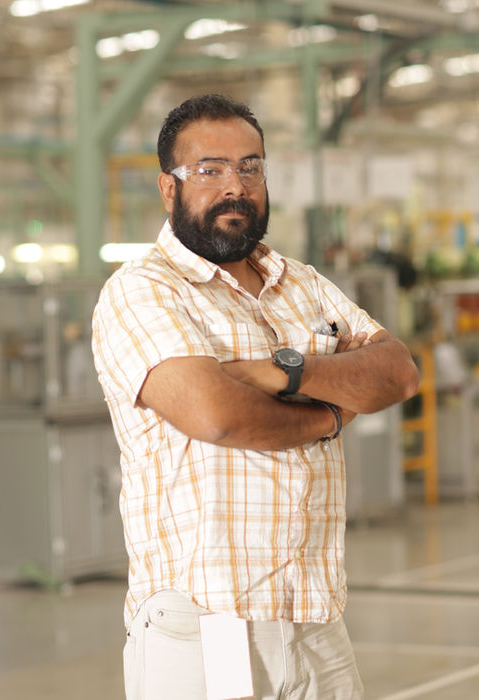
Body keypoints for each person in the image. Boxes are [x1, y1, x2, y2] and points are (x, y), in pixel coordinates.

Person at [92, 93, 419, 700]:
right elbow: (215, 416)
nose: (234, 186)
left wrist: (282, 373)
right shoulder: (142, 292)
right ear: (169, 189)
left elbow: (397, 372)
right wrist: (329, 413)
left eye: (250, 167)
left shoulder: (299, 282)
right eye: (209, 170)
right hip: (204, 625)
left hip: (316, 617)